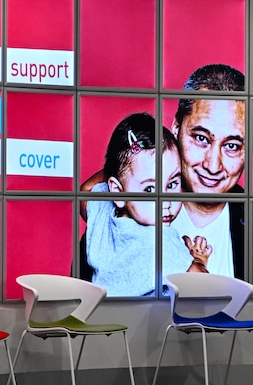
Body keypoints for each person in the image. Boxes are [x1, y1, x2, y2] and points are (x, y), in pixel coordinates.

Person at [81, 113, 210, 296]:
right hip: (151, 324)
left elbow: (86, 189)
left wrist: (124, 167)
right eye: (150, 189)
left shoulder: (102, 212)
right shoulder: (162, 243)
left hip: (103, 320)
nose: (165, 201)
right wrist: (198, 260)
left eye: (172, 184)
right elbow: (207, 288)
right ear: (117, 192)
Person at [170, 63, 245, 278]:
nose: (213, 166)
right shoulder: (127, 214)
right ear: (176, 129)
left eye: (231, 146)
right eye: (201, 139)